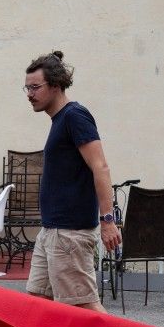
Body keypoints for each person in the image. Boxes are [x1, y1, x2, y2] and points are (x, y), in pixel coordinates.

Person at [23, 51, 120, 312]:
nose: (30, 94)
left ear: (55, 85)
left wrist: (108, 221)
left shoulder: (75, 116)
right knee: (37, 302)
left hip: (69, 235)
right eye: (27, 88)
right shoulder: (59, 121)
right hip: (52, 231)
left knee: (85, 308)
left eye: (35, 87)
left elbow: (100, 167)